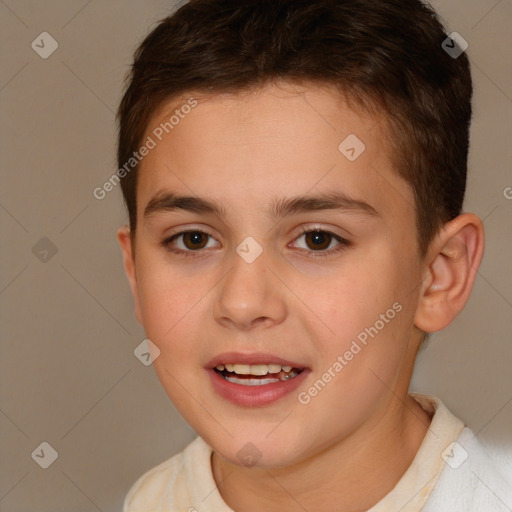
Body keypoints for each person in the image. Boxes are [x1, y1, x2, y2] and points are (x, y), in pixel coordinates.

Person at [115, 0, 512, 510]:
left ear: (438, 276)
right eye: (193, 239)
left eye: (318, 239)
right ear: (135, 273)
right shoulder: (148, 501)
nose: (241, 302)